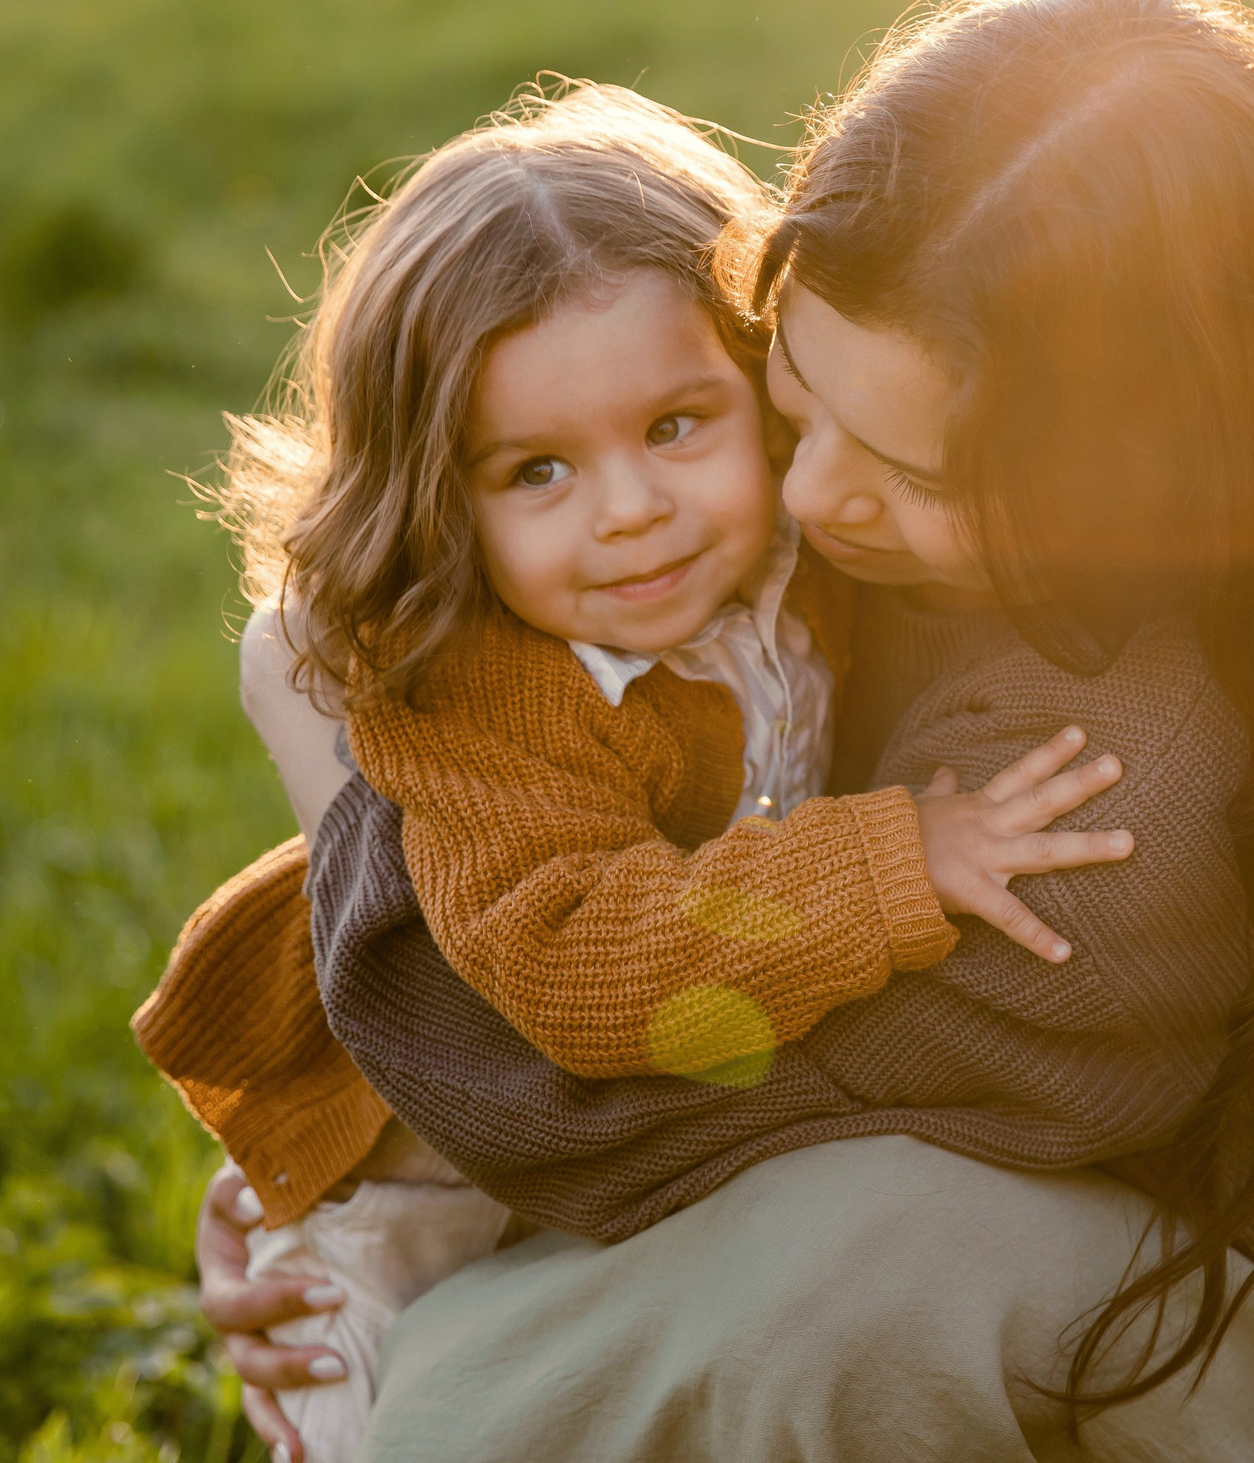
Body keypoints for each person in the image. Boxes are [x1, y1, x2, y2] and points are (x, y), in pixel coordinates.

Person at [206, 0, 1254, 1459]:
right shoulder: (847, 539)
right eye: (792, 395)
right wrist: (337, 1167)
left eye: (908, 470)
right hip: (1154, 1262)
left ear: (1134, 476)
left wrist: (387, 1109)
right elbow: (590, 868)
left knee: (789, 1295)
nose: (807, 495)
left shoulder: (1113, 786)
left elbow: (572, 1094)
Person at [131, 81, 1137, 1463]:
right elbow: (575, 961)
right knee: (383, 1423)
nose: (632, 512)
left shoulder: (791, 555)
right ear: (439, 500)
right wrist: (895, 861)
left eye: (675, 426)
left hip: (633, 1145)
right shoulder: (493, 684)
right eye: (537, 471)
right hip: (412, 1180)